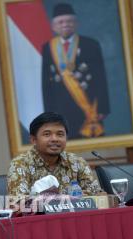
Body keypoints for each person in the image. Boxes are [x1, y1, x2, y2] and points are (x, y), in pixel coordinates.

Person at [41, 3, 110, 139]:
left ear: (76, 23)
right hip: (60, 107)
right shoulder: (48, 48)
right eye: (60, 22)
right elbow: (45, 83)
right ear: (54, 27)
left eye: (69, 21)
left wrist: (103, 107)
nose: (65, 25)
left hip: (88, 106)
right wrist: (48, 114)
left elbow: (101, 77)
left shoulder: (91, 44)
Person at [7, 112, 103, 197]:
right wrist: (66, 198)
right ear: (33, 140)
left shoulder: (76, 162)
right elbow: (18, 201)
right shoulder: (21, 164)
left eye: (60, 134)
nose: (54, 139)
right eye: (47, 134)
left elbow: (98, 194)